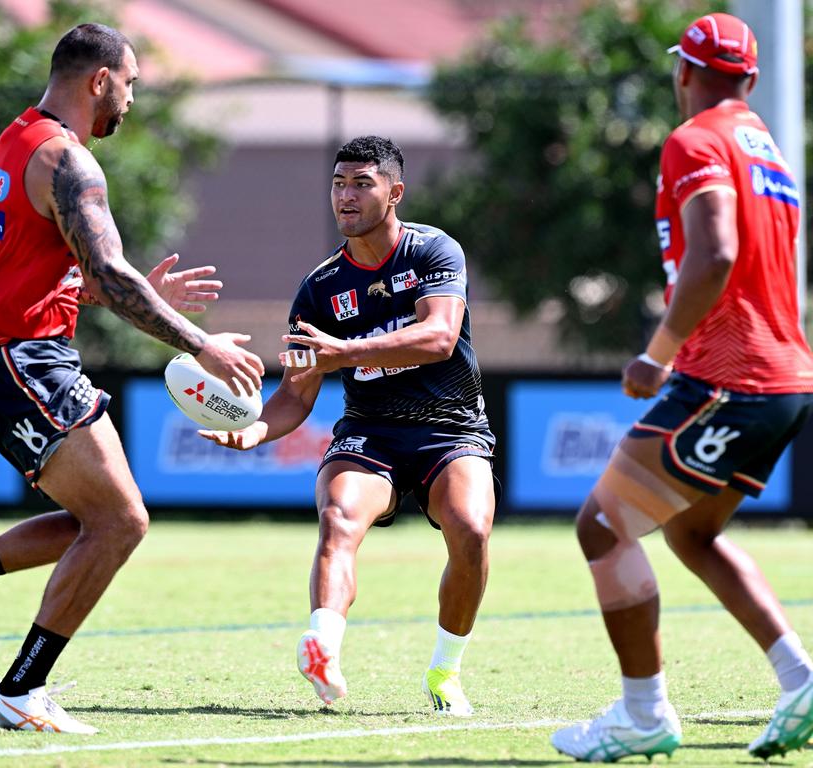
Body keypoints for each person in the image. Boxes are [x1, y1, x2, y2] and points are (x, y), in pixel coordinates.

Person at [0, 23, 264, 734]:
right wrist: (201, 344)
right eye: (132, 84)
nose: (132, 99)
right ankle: (20, 690)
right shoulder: (70, 161)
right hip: (16, 360)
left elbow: (53, 271)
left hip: (1, 358)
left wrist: (124, 293)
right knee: (121, 520)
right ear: (100, 79)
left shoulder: (16, 138)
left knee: (99, 520)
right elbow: (108, 273)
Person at [550, 13, 813, 762]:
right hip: (788, 375)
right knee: (693, 532)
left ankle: (643, 712)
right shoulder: (772, 156)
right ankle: (799, 678)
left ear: (684, 73)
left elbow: (715, 254)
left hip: (730, 378)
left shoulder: (694, 140)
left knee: (602, 527)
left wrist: (658, 353)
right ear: (753, 81)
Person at [200, 136, 496, 715]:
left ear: (395, 192)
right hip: (371, 430)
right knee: (337, 521)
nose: (346, 196)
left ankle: (444, 672)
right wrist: (257, 429)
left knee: (472, 531)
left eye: (362, 183)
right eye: (339, 184)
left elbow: (438, 339)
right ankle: (323, 648)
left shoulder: (434, 252)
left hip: (452, 426)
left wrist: (342, 351)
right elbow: (296, 392)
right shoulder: (319, 289)